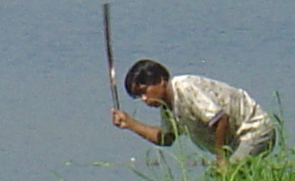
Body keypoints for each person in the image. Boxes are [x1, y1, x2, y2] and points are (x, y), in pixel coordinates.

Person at [113, 59, 279, 163]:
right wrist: (130, 124)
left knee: (229, 179)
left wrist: (220, 159)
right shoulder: (167, 106)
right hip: (235, 143)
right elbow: (166, 139)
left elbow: (220, 119)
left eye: (144, 92)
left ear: (160, 81)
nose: (144, 99)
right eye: (138, 96)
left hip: (253, 130)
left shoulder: (185, 88)